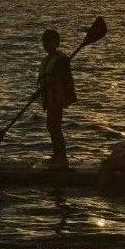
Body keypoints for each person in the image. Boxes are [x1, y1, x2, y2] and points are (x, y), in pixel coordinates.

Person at [38, 29, 77, 168]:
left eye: (49, 42)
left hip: (57, 97)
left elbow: (63, 77)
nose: (46, 45)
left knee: (54, 126)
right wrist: (37, 92)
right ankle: (57, 155)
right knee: (51, 126)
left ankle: (61, 157)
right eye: (44, 42)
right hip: (49, 97)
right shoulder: (47, 60)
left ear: (57, 43)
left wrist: (55, 80)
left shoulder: (61, 60)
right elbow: (45, 79)